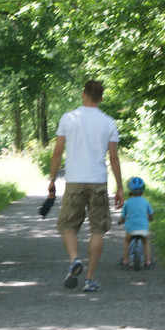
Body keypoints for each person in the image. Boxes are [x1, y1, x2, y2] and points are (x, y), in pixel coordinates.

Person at [47, 80, 124, 292]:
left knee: (67, 226)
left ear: (83, 94)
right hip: (98, 181)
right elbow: (114, 157)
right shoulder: (108, 122)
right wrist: (120, 188)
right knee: (98, 230)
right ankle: (90, 279)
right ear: (101, 99)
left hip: (74, 180)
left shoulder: (68, 118)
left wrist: (52, 179)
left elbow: (57, 151)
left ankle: (75, 259)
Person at [119, 176, 154, 267]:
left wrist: (120, 221)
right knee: (146, 241)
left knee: (127, 240)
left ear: (130, 190)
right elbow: (151, 214)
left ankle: (125, 260)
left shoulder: (127, 203)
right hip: (143, 228)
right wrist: (150, 218)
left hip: (131, 229)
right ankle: (148, 261)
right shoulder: (145, 202)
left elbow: (123, 217)